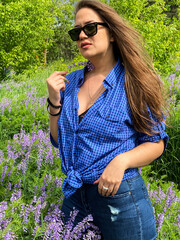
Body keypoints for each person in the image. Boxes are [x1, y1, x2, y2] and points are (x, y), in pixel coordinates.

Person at [46, 0, 169, 239]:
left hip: (120, 199)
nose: (82, 35)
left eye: (90, 28)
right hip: (75, 197)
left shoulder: (134, 81)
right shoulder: (69, 84)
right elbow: (59, 140)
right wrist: (54, 101)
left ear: (111, 33)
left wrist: (121, 162)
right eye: (76, 31)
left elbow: (156, 142)